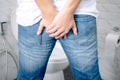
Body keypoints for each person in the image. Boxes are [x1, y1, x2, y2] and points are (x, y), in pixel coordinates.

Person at [16, 0, 102, 80]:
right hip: (79, 11)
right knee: (88, 76)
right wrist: (67, 11)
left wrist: (49, 12)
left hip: (34, 13)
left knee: (29, 76)